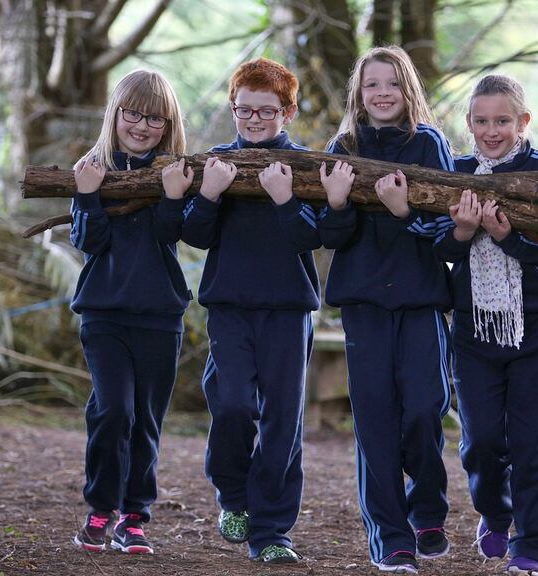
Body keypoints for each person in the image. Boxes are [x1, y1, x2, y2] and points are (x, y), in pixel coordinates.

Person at [318, 45, 454, 574]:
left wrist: (403, 213)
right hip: (364, 304)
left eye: (392, 84)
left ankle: (428, 510)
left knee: (423, 409)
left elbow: (445, 233)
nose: (381, 93)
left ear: (408, 91)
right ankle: (390, 538)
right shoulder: (342, 145)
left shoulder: (429, 145)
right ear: (358, 91)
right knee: (375, 422)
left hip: (420, 300)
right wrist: (335, 203)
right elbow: (331, 236)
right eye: (371, 84)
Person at [181, 58, 320, 564]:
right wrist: (210, 196)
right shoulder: (215, 162)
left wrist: (285, 200)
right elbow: (194, 236)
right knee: (233, 404)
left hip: (288, 308)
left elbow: (314, 235)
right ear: (233, 108)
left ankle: (272, 531)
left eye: (266, 110)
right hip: (230, 306)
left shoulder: (305, 165)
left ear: (287, 111)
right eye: (244, 110)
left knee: (282, 419)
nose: (254, 119)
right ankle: (233, 497)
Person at [435, 74, 538, 576]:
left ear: (522, 122)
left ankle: (535, 543)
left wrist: (508, 237)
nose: (491, 130)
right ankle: (495, 512)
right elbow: (438, 247)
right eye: (481, 121)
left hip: (534, 323)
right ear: (468, 123)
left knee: (534, 438)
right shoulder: (458, 170)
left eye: (502, 120)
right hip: (473, 326)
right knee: (484, 439)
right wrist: (465, 231)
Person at [69, 69, 194, 555]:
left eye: (155, 119)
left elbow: (170, 235)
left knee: (145, 418)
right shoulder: (92, 166)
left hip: (161, 316)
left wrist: (173, 194)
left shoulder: (178, 170)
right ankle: (100, 509)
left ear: (168, 124)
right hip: (104, 314)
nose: (142, 126)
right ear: (116, 114)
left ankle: (134, 516)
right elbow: (89, 241)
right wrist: (86, 195)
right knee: (113, 410)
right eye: (133, 114)